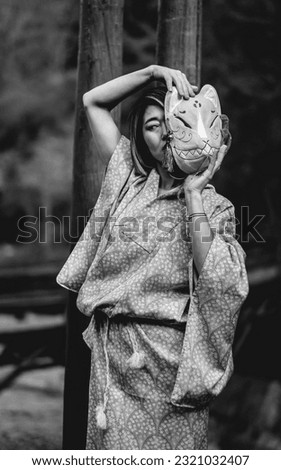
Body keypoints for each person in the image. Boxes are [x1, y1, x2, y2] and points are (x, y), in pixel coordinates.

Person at [57, 65, 249, 450]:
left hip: (169, 362)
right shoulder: (128, 179)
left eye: (171, 121)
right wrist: (152, 73)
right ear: (141, 140)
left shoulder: (214, 207)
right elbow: (92, 102)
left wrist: (194, 195)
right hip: (116, 358)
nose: (164, 134)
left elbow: (221, 279)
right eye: (152, 126)